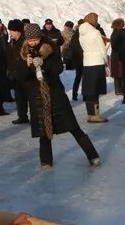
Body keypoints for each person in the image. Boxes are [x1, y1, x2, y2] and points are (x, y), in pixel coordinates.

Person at [20, 23, 101, 168]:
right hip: (37, 97)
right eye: (30, 40)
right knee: (44, 132)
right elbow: (22, 78)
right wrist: (27, 66)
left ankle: (93, 155)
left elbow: (58, 68)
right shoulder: (24, 52)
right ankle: (45, 161)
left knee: (73, 126)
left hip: (55, 94)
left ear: (40, 37)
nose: (33, 42)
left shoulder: (50, 48)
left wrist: (43, 63)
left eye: (35, 39)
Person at [79, 13, 109, 122]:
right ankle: (96, 115)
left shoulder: (81, 33)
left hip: (87, 62)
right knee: (95, 90)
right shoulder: (96, 32)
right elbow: (102, 49)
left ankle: (90, 114)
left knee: (89, 90)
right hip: (97, 62)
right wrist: (106, 60)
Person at [6, 19, 30, 124]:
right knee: (19, 98)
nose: (9, 33)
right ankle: (22, 116)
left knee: (30, 97)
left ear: (17, 31)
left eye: (11, 31)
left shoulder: (25, 41)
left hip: (26, 74)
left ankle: (35, 118)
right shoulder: (12, 41)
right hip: (16, 75)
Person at [69, 19, 85, 101]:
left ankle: (75, 95)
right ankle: (84, 94)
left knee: (78, 77)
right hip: (82, 59)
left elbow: (72, 48)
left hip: (78, 59)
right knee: (83, 77)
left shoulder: (75, 35)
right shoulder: (81, 35)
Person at [109, 18, 125, 96]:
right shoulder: (121, 34)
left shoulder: (113, 33)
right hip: (120, 55)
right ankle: (122, 90)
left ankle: (117, 90)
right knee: (121, 73)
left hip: (115, 55)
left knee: (116, 73)